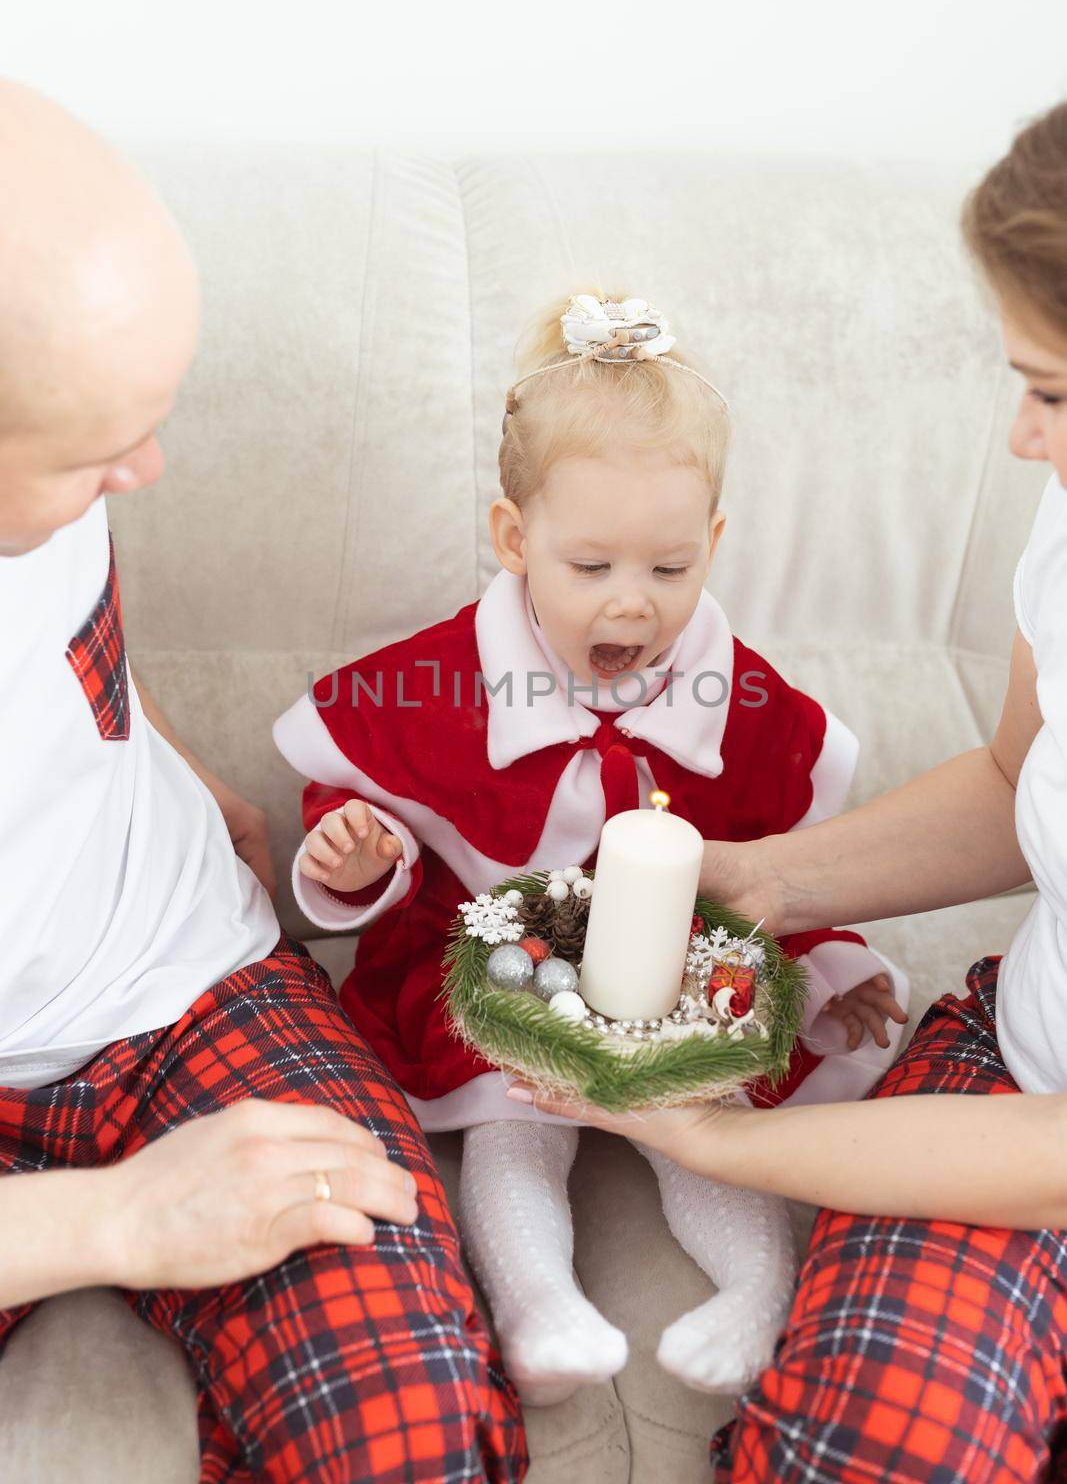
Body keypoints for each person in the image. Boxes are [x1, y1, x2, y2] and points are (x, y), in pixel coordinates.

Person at [510, 105, 1067, 1483]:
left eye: (1052, 391)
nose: (1014, 438)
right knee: (859, 1453)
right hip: (1019, 1069)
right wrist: (772, 878)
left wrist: (711, 1139)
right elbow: (1014, 778)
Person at [0, 79, 526, 1484]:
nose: (150, 470)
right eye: (96, 454)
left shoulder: (49, 475)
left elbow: (55, 621)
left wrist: (152, 748)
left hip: (193, 989)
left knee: (408, 1437)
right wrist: (121, 1221)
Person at [273, 289, 908, 1407]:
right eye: (591, 567)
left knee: (703, 1113)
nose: (634, 605)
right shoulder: (436, 680)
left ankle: (754, 1294)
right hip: (498, 961)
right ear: (516, 540)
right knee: (520, 1109)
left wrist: (833, 963)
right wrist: (357, 857)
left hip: (672, 964)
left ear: (711, 543)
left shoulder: (743, 696)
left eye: (669, 570)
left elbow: (797, 852)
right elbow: (363, 799)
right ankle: (537, 1304)